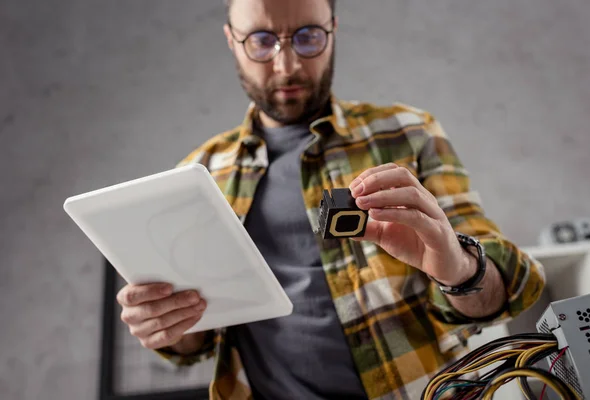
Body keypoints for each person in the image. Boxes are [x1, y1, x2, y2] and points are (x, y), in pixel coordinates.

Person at [116, 0, 545, 399]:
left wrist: (457, 267)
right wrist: (166, 322)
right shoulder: (199, 174)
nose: (287, 66)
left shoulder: (409, 132)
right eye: (262, 41)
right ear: (231, 40)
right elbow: (195, 343)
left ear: (333, 30)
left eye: (308, 37)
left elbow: (504, 292)